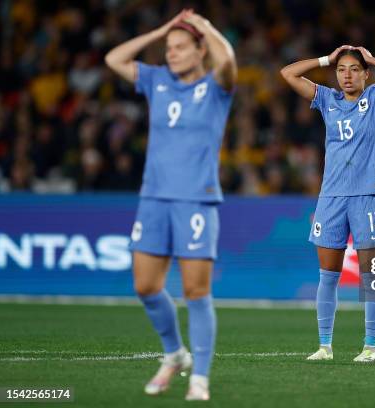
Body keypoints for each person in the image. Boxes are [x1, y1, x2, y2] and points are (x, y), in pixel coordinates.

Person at [105, 9, 236, 400]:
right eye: (168, 48)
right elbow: (114, 59)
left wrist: (206, 27)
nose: (171, 54)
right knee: (146, 286)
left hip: (196, 199)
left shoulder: (216, 86)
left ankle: (200, 379)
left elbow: (227, 61)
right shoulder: (157, 80)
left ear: (200, 51)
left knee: (196, 292)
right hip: (154, 198)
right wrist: (163, 29)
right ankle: (174, 354)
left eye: (181, 47)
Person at [281, 46, 375, 362]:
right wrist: (325, 59)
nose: (347, 75)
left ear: (365, 74)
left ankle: (371, 347)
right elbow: (288, 74)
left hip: (369, 196)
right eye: (341, 70)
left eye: (354, 69)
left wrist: (373, 58)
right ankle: (324, 346)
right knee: (328, 275)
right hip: (331, 197)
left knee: (371, 275)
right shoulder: (327, 99)